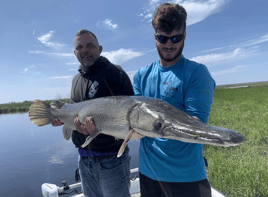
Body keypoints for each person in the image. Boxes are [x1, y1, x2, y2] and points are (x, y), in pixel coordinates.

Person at [133, 3, 215, 197]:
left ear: (184, 35)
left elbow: (196, 126)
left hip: (186, 177)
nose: (169, 44)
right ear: (155, 37)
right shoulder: (141, 76)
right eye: (162, 38)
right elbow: (135, 126)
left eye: (175, 38)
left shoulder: (197, 73)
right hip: (148, 174)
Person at [52, 29, 134, 197]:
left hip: (112, 161)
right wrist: (61, 119)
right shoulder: (76, 80)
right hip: (83, 161)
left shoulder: (114, 73)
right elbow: (73, 113)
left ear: (100, 49)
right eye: (79, 47)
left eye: (90, 45)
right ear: (75, 52)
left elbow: (131, 116)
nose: (85, 50)